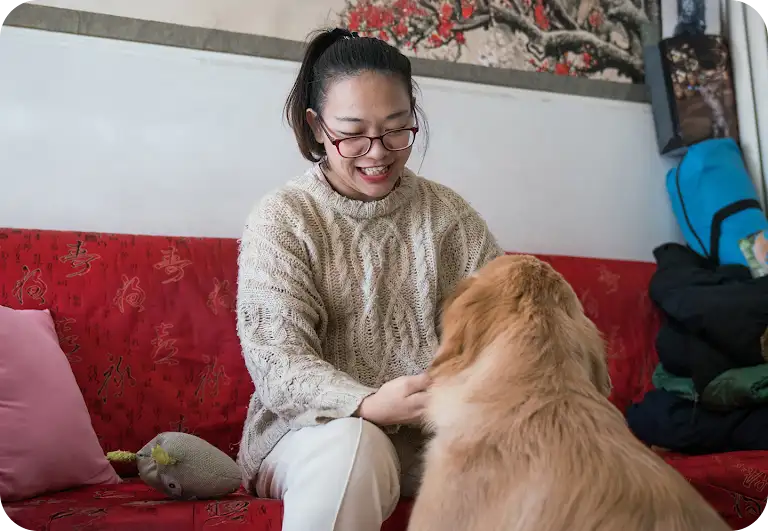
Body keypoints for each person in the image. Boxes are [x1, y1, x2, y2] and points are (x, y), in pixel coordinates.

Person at [236, 27, 502, 531]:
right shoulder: (284, 218)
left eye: (396, 130)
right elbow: (278, 362)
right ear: (316, 127)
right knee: (355, 445)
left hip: (434, 442)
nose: (377, 152)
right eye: (353, 133)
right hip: (311, 436)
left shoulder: (449, 218)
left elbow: (503, 328)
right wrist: (366, 404)